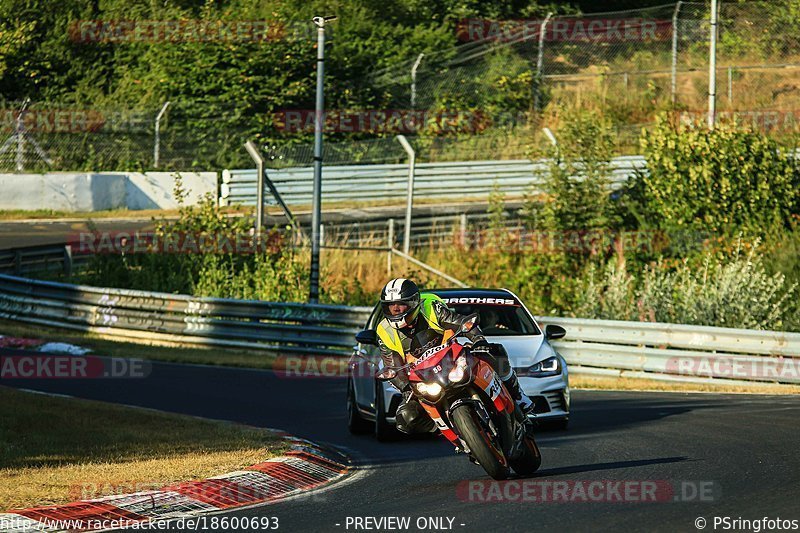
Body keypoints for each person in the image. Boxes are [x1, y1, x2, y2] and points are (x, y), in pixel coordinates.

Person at [376, 278, 534, 434]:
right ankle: (452, 433)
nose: (396, 310)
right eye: (390, 306)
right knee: (406, 417)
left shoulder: (429, 306)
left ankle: (518, 396)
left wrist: (478, 340)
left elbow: (459, 322)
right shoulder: (384, 331)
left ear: (413, 302)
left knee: (495, 352)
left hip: (451, 359)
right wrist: (405, 388)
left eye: (401, 304)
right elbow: (393, 365)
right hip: (422, 376)